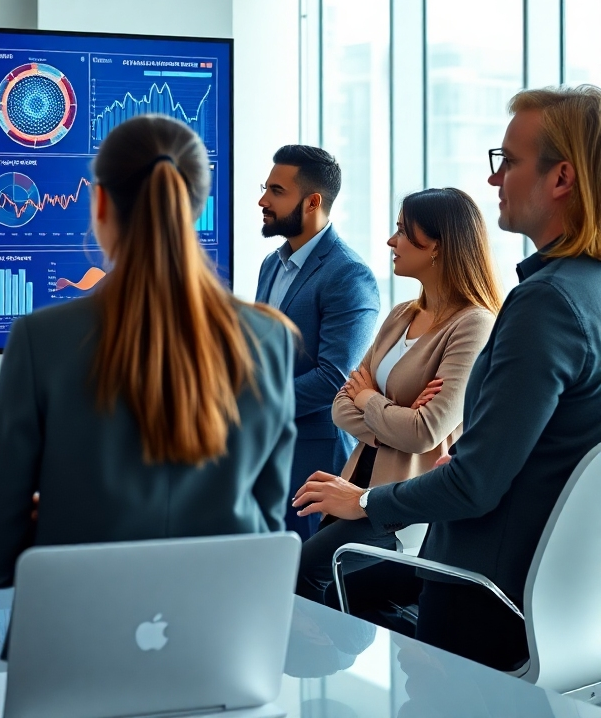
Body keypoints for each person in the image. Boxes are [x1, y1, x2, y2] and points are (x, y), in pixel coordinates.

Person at [293, 85, 601, 671]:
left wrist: (365, 501)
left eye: (507, 161)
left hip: (481, 601)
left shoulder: (546, 304)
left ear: (561, 178)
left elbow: (473, 485)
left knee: (312, 577)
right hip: (566, 612)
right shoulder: (587, 292)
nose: (494, 181)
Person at [0, 115, 297, 590]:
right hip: (223, 644)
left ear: (99, 203)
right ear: (197, 206)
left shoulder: (44, 339)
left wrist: (57, 520)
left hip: (77, 639)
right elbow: (264, 525)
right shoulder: (269, 338)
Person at [295, 188, 500, 602]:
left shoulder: (474, 325)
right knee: (341, 600)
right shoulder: (401, 314)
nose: (392, 241)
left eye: (404, 232)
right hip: (354, 485)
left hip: (402, 507)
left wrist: (370, 398)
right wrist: (395, 419)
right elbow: (340, 404)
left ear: (439, 246)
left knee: (306, 574)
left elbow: (425, 432)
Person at [255, 144, 379, 539]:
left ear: (312, 202)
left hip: (314, 461)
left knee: (308, 583)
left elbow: (333, 378)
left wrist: (254, 405)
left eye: (276, 191)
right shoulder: (271, 265)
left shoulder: (349, 275)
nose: (262, 200)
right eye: (266, 188)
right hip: (264, 453)